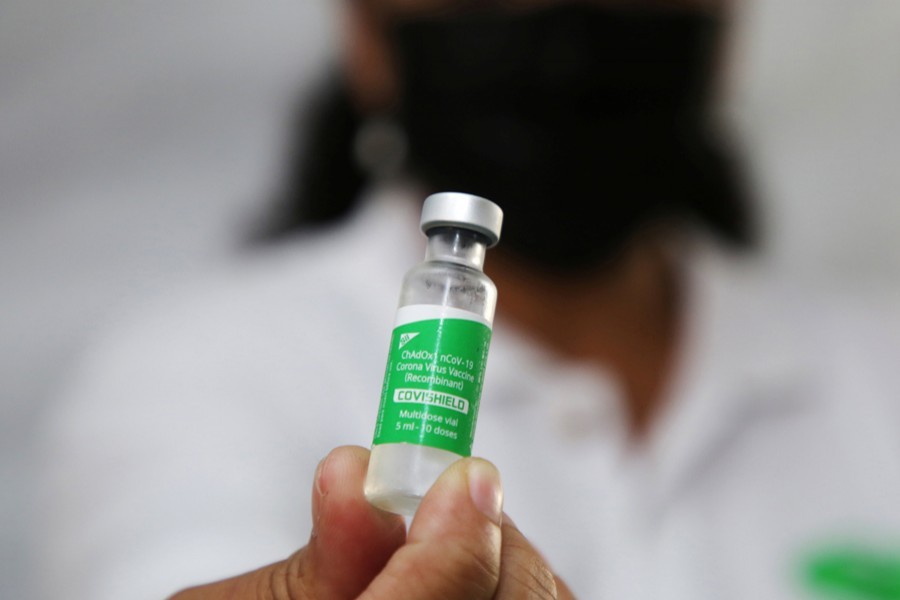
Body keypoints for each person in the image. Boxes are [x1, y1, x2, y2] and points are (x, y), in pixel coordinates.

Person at [36, 0, 900, 599]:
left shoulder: (876, 372)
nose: (565, 35)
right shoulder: (200, 365)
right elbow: (169, 562)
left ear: (720, 29)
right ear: (371, 33)